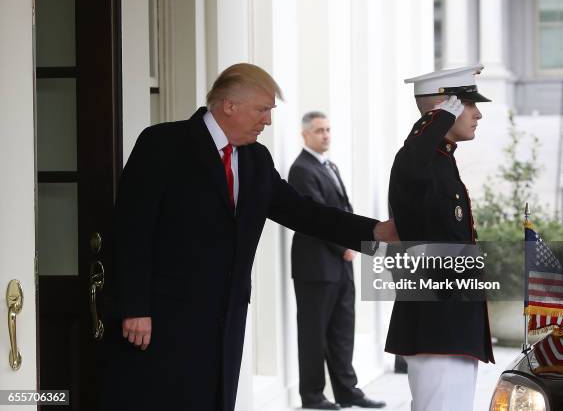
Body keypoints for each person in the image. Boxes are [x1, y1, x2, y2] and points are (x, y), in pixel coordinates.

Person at [99, 63, 398, 411]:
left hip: (226, 320)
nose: (268, 120)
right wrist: (136, 307)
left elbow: (303, 212)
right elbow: (132, 229)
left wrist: (374, 231)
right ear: (229, 105)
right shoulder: (163, 143)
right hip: (163, 320)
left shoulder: (256, 159)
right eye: (263, 109)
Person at [385, 64, 495, 411]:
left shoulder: (442, 162)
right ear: (445, 109)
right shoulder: (418, 161)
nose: (477, 114)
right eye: (468, 104)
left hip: (451, 323)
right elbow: (412, 163)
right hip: (436, 323)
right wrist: (437, 120)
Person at [288, 112, 386, 410]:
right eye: (319, 131)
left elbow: (342, 208)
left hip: (342, 262)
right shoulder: (301, 169)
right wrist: (344, 244)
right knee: (313, 334)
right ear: (305, 135)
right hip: (315, 266)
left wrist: (352, 244)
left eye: (329, 129)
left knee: (342, 330)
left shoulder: (329, 165)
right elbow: (313, 217)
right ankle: (312, 396)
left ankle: (347, 391)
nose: (326, 135)